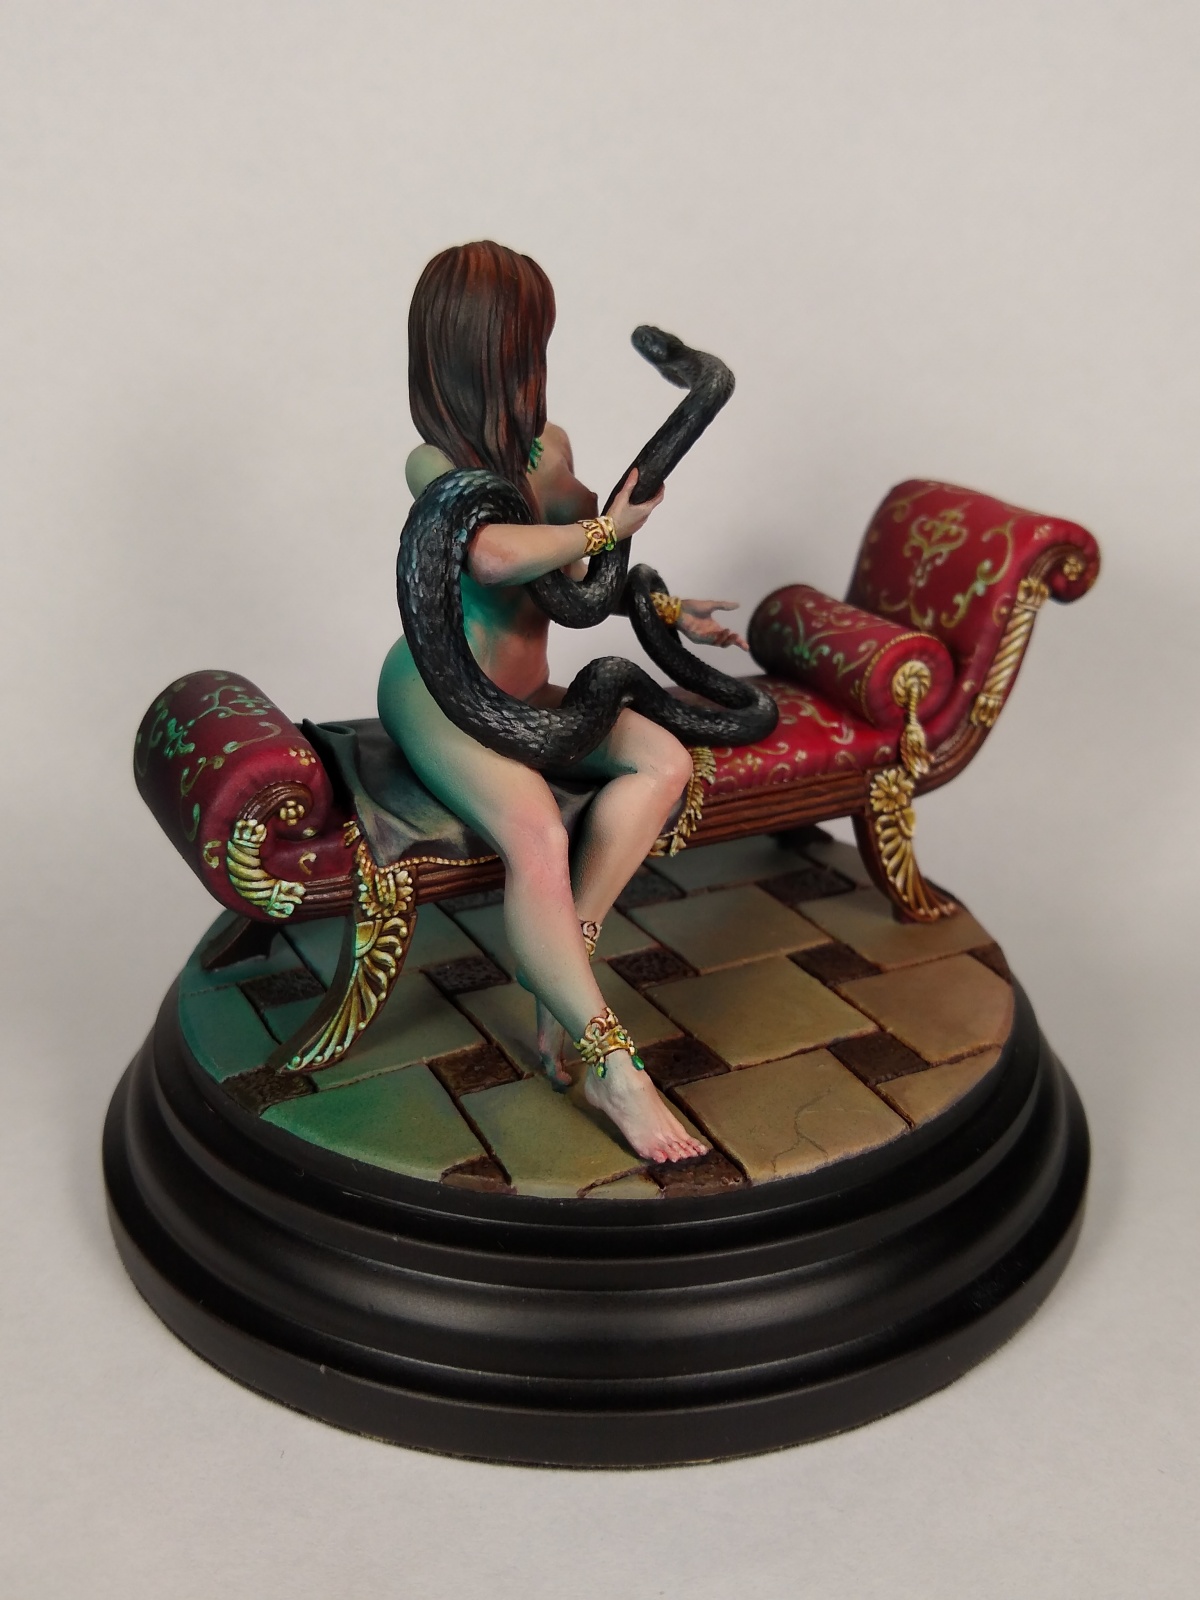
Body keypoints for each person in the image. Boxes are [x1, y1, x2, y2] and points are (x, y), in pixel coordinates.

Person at [379, 240, 747, 1164]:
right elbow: (495, 555)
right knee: (536, 833)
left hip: (527, 694)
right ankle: (615, 1068)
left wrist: (665, 609)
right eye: (527, 336)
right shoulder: (434, 464)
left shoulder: (553, 449)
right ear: (484, 347)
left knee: (662, 760)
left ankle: (564, 963)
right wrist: (600, 526)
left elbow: (587, 573)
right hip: (442, 696)